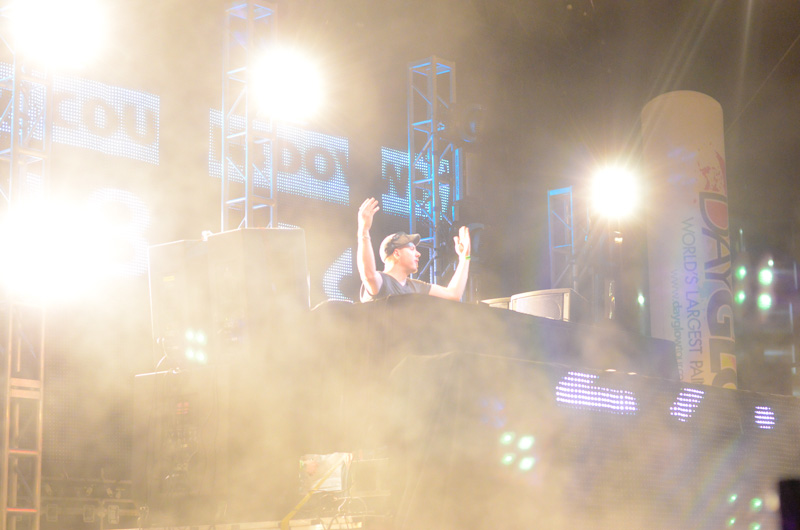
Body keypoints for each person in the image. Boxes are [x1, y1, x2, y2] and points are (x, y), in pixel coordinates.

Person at [357, 197, 471, 303]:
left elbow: (453, 295)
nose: (418, 254)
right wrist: (364, 230)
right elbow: (369, 275)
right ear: (396, 253)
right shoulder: (382, 281)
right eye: (412, 249)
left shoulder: (416, 286)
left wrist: (465, 258)